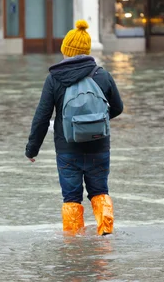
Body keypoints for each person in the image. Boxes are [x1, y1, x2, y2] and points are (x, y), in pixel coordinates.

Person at [25, 20, 124, 235]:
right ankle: (105, 239)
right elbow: (117, 108)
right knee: (100, 192)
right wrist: (96, 121)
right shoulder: (102, 75)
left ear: (66, 51)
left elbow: (42, 117)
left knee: (71, 197)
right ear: (86, 51)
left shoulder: (55, 78)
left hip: (67, 149)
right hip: (99, 146)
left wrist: (32, 149)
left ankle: (73, 245)